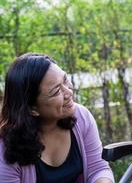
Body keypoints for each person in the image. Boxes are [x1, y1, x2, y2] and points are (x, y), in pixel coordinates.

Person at [0, 53, 114, 183]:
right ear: (32, 109)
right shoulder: (6, 147)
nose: (69, 92)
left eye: (65, 80)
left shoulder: (81, 117)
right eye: (56, 92)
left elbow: (98, 168)